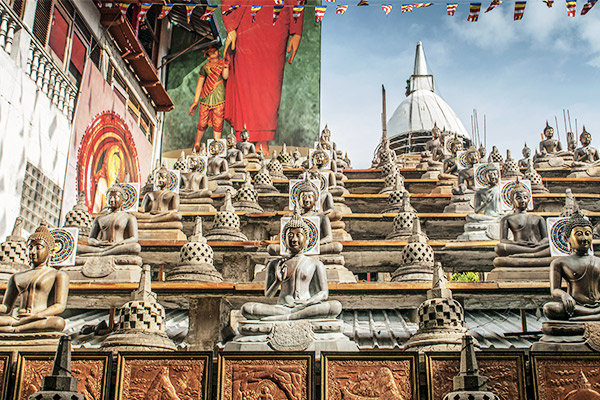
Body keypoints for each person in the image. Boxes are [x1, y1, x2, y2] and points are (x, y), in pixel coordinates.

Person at [222, 0, 303, 154]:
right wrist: (230, 26)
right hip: (247, 18)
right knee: (246, 80)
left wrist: (296, 30)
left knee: (271, 82)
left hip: (277, 20)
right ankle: (246, 139)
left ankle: (263, 140)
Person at [240, 208, 342, 321]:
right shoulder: (275, 264)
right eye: (290, 235)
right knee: (247, 308)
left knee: (335, 306)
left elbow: (323, 293)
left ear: (307, 239)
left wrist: (308, 302)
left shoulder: (316, 264)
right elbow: (268, 295)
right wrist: (277, 282)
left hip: (306, 306)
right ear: (284, 240)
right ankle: (291, 315)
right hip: (282, 307)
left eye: (298, 235)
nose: (294, 239)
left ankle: (290, 316)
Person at [0, 220, 68, 333]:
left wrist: (37, 315)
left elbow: (59, 306)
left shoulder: (58, 275)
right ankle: (17, 326)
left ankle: (17, 328)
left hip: (38, 318)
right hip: (17, 317)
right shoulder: (16, 277)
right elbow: (6, 307)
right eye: (30, 247)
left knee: (58, 322)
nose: (32, 251)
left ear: (50, 251)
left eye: (38, 247)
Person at [543, 212, 600, 320]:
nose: (584, 238)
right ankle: (594, 315)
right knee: (550, 308)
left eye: (587, 233)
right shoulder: (559, 263)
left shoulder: (598, 261)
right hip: (575, 306)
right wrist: (564, 295)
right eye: (579, 234)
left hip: (597, 305)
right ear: (566, 238)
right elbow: (555, 290)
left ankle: (590, 315)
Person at [78, 183, 141, 257]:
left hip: (118, 246)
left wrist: (119, 243)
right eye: (109, 197)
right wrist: (97, 243)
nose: (111, 200)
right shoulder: (99, 218)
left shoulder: (129, 217)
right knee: (77, 247)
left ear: (123, 201)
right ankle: (103, 252)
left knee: (136, 247)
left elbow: (134, 238)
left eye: (115, 197)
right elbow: (91, 239)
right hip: (101, 247)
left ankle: (102, 253)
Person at [189, 47, 229, 151]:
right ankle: (197, 143)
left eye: (216, 58)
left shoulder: (222, 64)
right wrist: (195, 102)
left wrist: (225, 67)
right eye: (212, 58)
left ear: (218, 55)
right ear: (208, 57)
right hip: (206, 95)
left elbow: (225, 77)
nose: (214, 61)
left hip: (219, 95)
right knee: (202, 122)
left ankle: (217, 144)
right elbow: (199, 85)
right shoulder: (204, 68)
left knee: (218, 121)